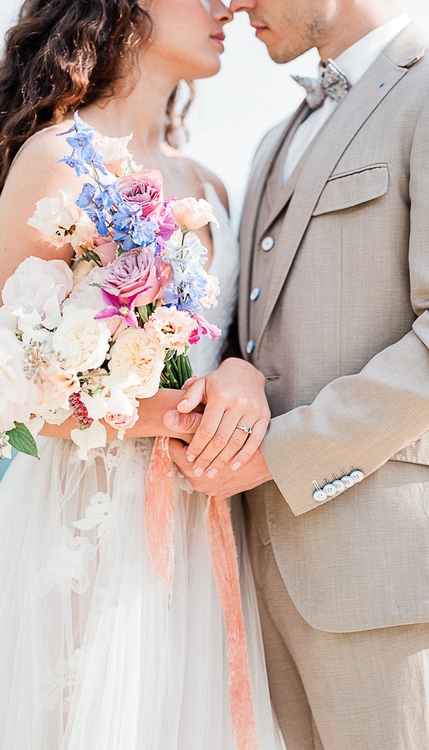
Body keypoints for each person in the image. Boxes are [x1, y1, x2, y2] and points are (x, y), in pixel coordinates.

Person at [0, 0, 287, 747]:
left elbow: (236, 352)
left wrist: (243, 382)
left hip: (207, 522)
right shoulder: (61, 157)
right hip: (91, 524)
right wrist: (153, 412)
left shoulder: (211, 187)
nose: (224, 6)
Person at [167, 1, 429, 747]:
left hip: (388, 578)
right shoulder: (271, 141)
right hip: (258, 576)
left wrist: (279, 453)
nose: (236, 3)